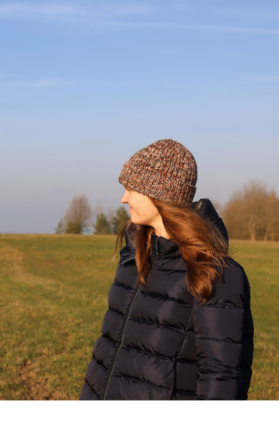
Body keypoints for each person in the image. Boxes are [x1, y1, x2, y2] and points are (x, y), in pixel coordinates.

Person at [79, 139, 254, 401]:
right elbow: (109, 353)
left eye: (131, 189)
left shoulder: (214, 272)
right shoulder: (134, 257)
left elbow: (220, 378)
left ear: (158, 193)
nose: (123, 198)